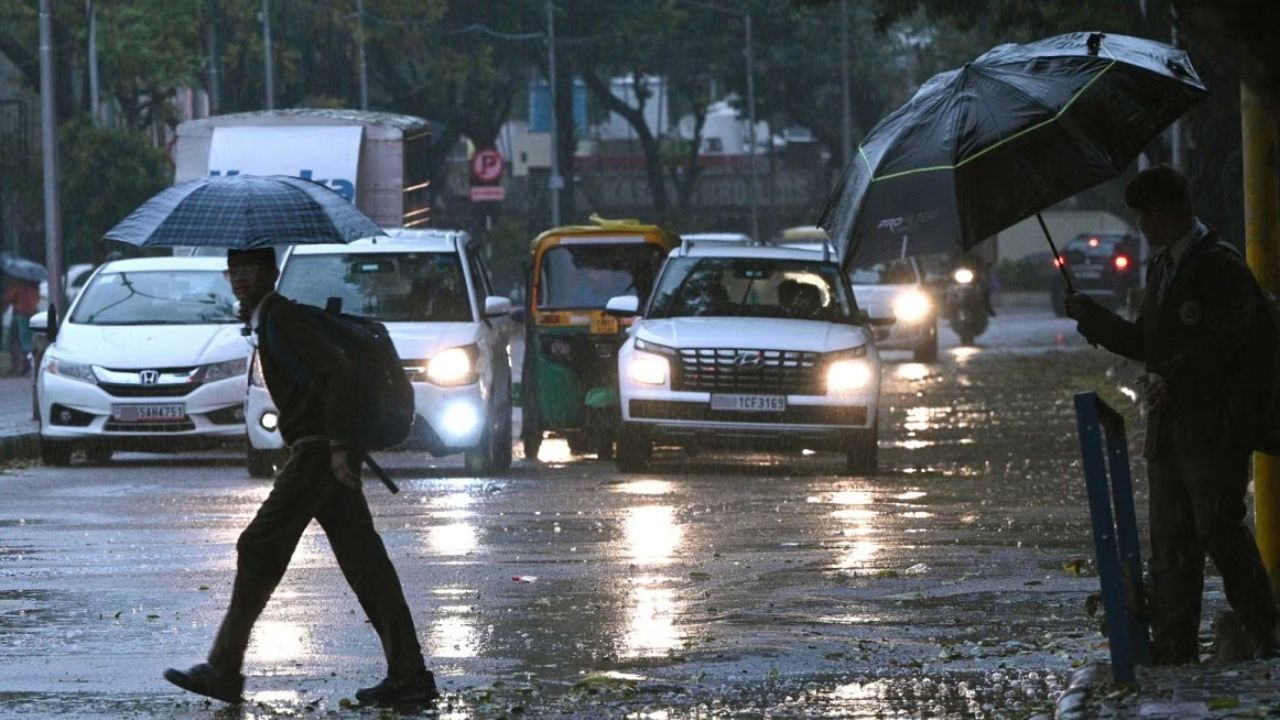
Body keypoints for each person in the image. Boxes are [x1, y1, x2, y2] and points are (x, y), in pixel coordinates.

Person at [164, 247, 437, 705]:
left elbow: (339, 370)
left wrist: (337, 447)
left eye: (250, 270)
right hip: (321, 454)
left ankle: (225, 669)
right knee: (366, 564)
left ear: (271, 273)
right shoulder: (271, 320)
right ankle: (409, 674)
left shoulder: (282, 319)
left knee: (257, 545)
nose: (241, 278)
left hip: (315, 456)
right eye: (234, 271)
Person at [1065, 166, 1279, 663]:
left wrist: (1173, 377)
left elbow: (1229, 342)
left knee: (1218, 530)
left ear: (1170, 212)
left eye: (1147, 215)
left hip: (1215, 432)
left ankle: (1265, 632)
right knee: (1171, 540)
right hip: (1168, 431)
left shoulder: (1220, 266)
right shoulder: (1160, 269)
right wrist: (1092, 317)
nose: (1142, 225)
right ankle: (1174, 644)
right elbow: (1147, 343)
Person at [2, 274, 38, 375]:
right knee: (28, 341)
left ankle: (16, 366)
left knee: (14, 342)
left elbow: (9, 298)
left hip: (19, 315)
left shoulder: (16, 285)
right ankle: (27, 365)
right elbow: (37, 299)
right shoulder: (34, 286)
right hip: (32, 315)